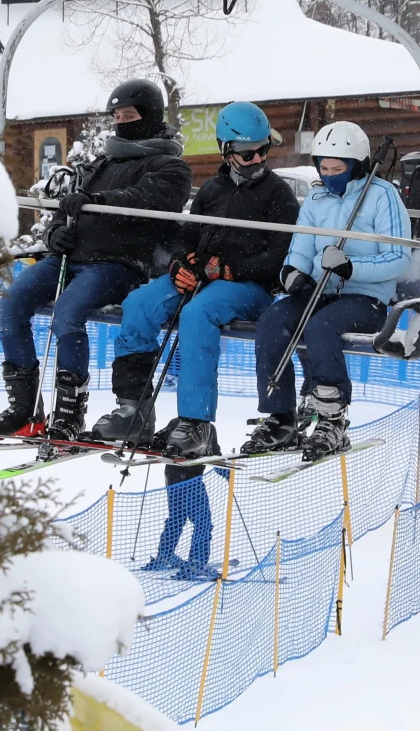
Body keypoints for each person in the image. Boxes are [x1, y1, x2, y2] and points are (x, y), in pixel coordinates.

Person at [96, 101, 298, 581]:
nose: (254, 162)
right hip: (204, 278)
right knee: (143, 303)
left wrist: (230, 269)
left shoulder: (279, 194)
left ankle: (196, 421)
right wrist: (182, 265)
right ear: (227, 151)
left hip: (247, 289)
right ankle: (133, 408)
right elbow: (185, 237)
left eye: (261, 152)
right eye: (245, 154)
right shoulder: (210, 191)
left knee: (199, 315)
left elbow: (281, 254)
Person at [0, 78, 192, 442]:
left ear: (151, 115)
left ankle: (69, 412)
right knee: (12, 304)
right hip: (71, 257)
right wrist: (54, 233)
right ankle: (24, 409)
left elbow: (146, 198)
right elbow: (69, 207)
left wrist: (100, 201)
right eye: (117, 115)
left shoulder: (169, 165)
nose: (122, 121)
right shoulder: (100, 163)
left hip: (118, 263)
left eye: (130, 114)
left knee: (68, 312)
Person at [243, 121, 412, 460]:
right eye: (324, 167)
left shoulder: (382, 196)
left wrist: (353, 268)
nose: (330, 175)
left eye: (339, 169)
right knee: (273, 321)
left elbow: (399, 258)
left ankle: (331, 415)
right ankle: (281, 415)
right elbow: (302, 246)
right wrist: (293, 271)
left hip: (366, 298)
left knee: (321, 326)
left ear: (358, 166)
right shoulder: (317, 198)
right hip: (320, 291)